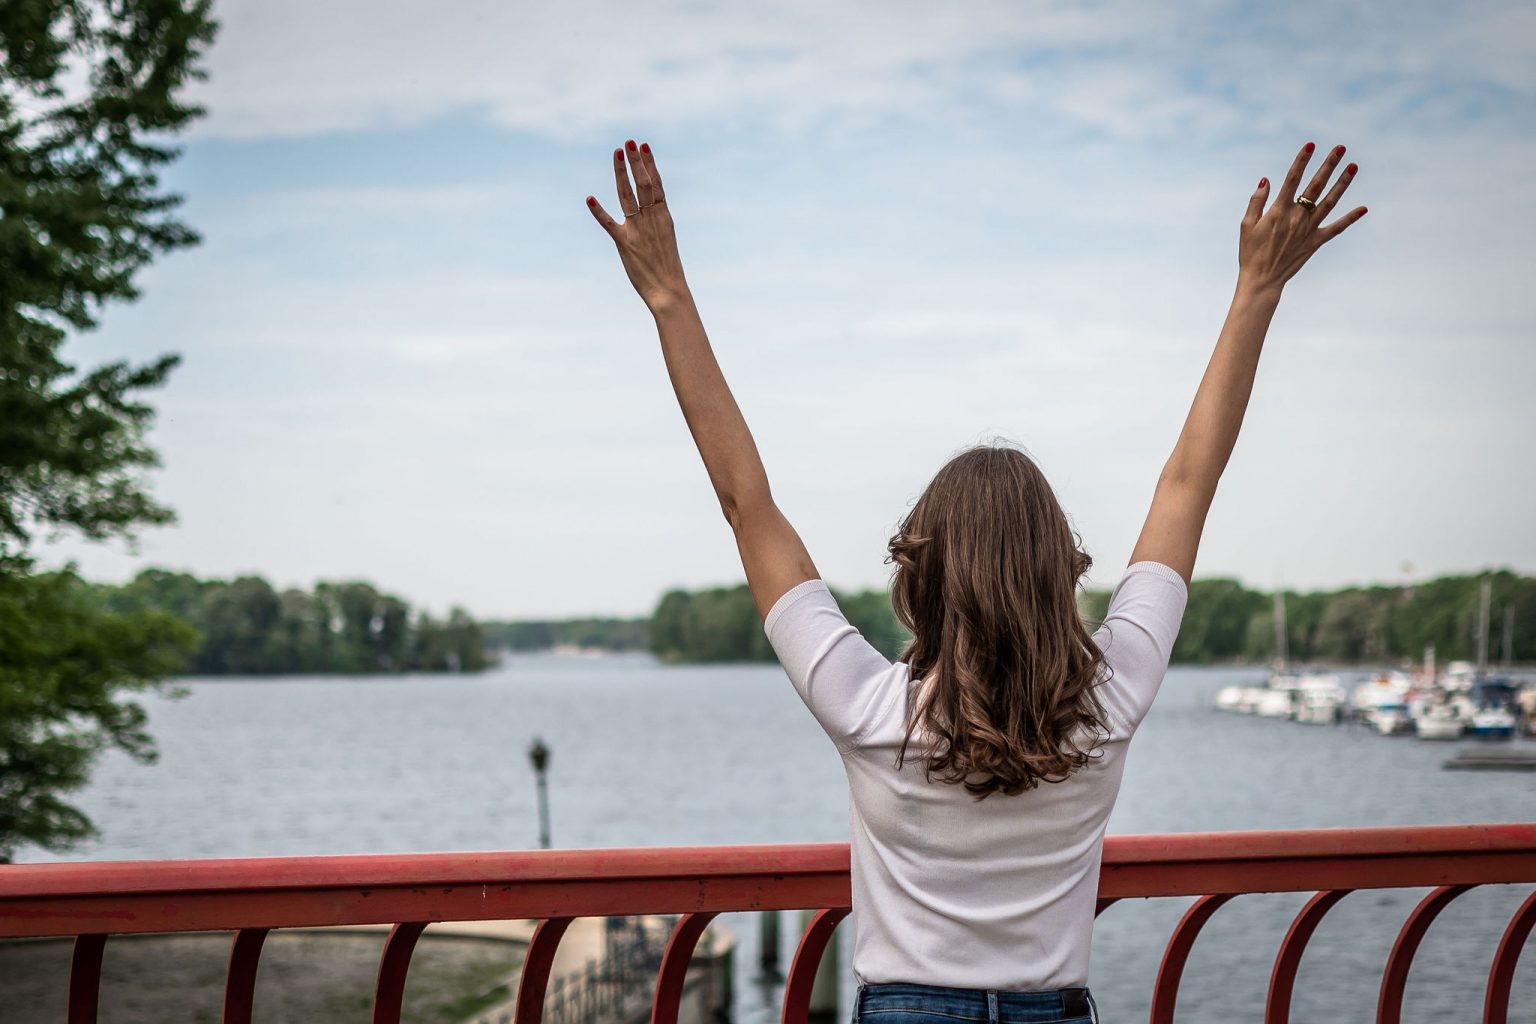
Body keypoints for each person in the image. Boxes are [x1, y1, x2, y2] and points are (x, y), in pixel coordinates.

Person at [586, 139, 1366, 1024]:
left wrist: (668, 296)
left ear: (922, 577)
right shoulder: (1112, 700)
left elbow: (745, 503)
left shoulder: (868, 708)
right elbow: (1190, 480)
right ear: (1056, 574)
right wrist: (1256, 292)